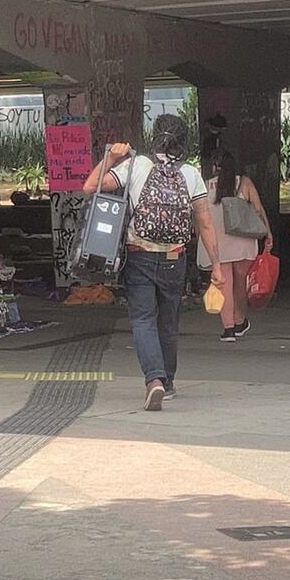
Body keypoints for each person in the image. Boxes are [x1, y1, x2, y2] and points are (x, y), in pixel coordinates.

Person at [83, 114, 224, 411]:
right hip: (175, 256)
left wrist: (110, 156)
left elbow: (90, 186)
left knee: (143, 319)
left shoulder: (137, 166)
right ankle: (168, 382)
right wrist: (217, 266)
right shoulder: (190, 173)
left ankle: (154, 380)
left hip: (140, 254)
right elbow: (205, 224)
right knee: (168, 322)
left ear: (154, 136)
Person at [197, 149, 273, 341]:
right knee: (241, 285)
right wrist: (268, 232)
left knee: (225, 285)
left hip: (218, 244)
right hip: (243, 242)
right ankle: (240, 321)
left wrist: (198, 237)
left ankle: (228, 328)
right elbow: (258, 208)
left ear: (214, 166)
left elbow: (198, 218)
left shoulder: (205, 186)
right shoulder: (244, 183)